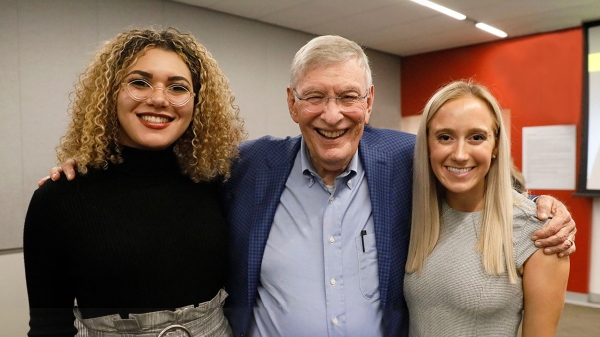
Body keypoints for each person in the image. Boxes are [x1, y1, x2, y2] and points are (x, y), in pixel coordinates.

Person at [46, 35, 577, 337]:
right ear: (291, 102)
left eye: (348, 97)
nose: (332, 114)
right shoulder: (248, 167)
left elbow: (467, 167)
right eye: (314, 97)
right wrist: (93, 161)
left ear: (369, 103)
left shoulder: (399, 159)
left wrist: (539, 206)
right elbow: (165, 161)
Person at [24, 27, 244, 337]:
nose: (159, 99)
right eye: (139, 83)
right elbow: (49, 326)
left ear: (197, 102)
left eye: (177, 88)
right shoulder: (59, 198)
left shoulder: (215, 182)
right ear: (109, 93)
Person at [404, 80, 570, 336]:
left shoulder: (542, 234)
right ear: (427, 145)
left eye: (476, 137)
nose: (460, 154)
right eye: (445, 137)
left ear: (495, 146)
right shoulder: (418, 216)